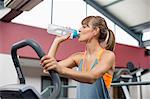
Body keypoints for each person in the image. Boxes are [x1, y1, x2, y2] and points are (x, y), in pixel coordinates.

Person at [41, 16, 115, 99]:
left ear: (95, 31)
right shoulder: (78, 57)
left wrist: (61, 69)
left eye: (84, 27)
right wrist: (56, 41)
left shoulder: (107, 55)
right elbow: (47, 69)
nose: (79, 29)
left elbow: (91, 77)